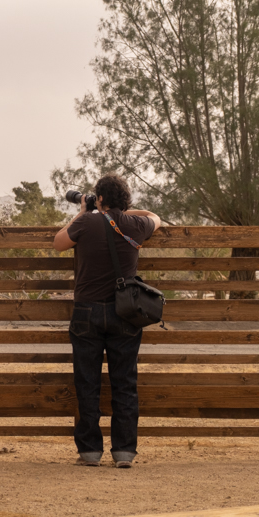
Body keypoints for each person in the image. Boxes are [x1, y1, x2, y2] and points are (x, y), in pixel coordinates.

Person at [53, 174, 161, 468]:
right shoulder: (135, 225)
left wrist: (84, 211)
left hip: (87, 311)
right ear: (125, 201)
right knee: (124, 382)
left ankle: (89, 452)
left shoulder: (86, 223)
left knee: (87, 382)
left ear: (99, 199)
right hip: (125, 313)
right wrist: (124, 212)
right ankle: (124, 451)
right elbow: (155, 216)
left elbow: (59, 243)